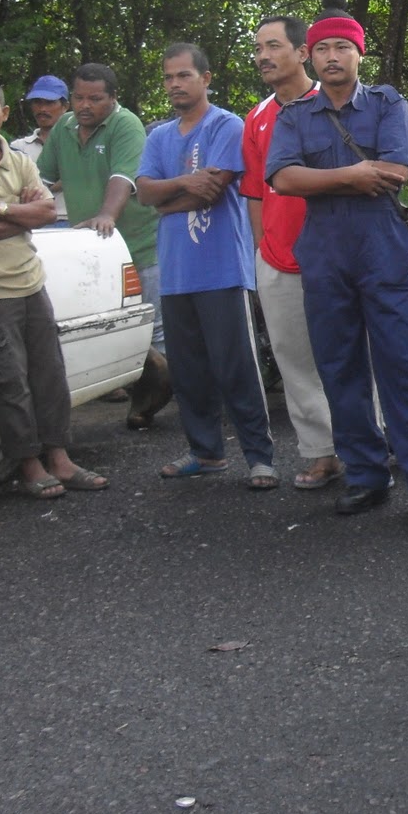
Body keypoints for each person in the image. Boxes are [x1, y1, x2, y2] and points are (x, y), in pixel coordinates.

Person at [266, 0, 408, 524]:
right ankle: (366, 475)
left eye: (342, 47)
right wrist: (354, 175)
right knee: (339, 366)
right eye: (322, 47)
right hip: (324, 253)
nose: (332, 56)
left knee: (402, 364)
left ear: (358, 55)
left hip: (380, 249)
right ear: (310, 57)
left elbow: (397, 171)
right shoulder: (295, 115)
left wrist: (323, 180)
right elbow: (282, 178)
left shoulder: (388, 105)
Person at [0, 80, 108, 501]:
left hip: (30, 282)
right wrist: (19, 213)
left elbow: (46, 210)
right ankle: (30, 464)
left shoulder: (19, 159)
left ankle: (60, 457)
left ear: (3, 113)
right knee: (10, 383)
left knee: (50, 374)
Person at [137, 44, 278, 490]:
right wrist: (178, 186)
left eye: (184, 75)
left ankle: (260, 458)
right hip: (176, 272)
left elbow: (213, 190)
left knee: (235, 365)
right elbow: (143, 192)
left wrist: (167, 200)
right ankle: (206, 452)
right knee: (188, 370)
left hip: (221, 269)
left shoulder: (226, 124)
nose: (175, 84)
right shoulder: (159, 135)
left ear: (205, 77)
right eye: (169, 77)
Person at [38, 63, 170, 428]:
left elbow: (122, 178)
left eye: (95, 99)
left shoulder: (125, 124)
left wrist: (107, 214)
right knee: (112, 324)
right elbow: (41, 180)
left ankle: (166, 404)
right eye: (79, 97)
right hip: (94, 251)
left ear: (112, 99)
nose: (85, 105)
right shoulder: (64, 129)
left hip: (139, 244)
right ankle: (145, 393)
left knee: (155, 327)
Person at [243, 15, 341, 491]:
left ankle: (370, 442)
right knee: (294, 360)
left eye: (274, 46)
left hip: (335, 252)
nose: (263, 55)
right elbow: (256, 193)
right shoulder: (258, 117)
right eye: (259, 47)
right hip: (278, 259)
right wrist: (263, 252)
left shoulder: (333, 104)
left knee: (349, 352)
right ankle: (321, 452)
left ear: (303, 53)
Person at [10, 75, 71, 221]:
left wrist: (38, 186)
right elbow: (15, 188)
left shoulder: (78, 143)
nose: (42, 109)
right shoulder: (19, 147)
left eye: (49, 103)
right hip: (32, 223)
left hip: (71, 220)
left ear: (65, 106)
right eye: (37, 102)